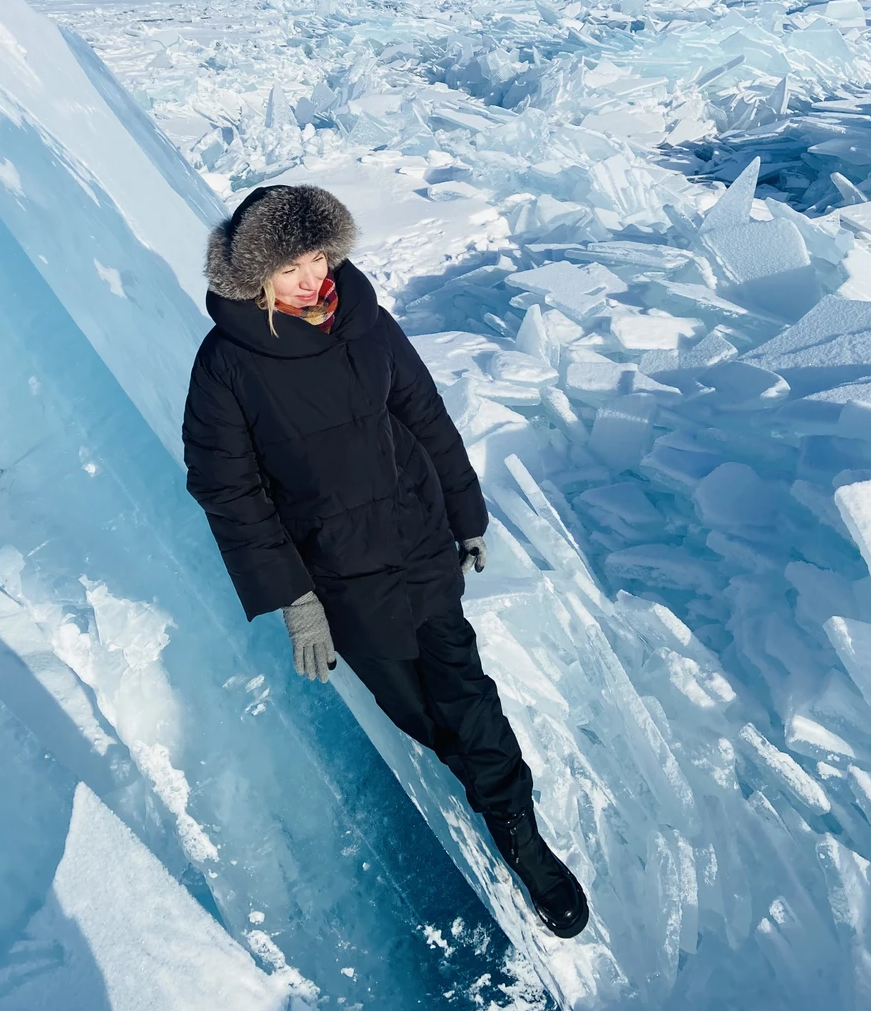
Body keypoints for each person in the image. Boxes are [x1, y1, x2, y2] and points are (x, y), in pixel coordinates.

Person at [182, 183, 589, 939]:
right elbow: (227, 490)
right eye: (290, 266)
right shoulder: (225, 367)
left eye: (317, 257)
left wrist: (466, 513)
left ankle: (522, 838)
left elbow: (423, 413)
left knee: (468, 695)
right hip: (342, 575)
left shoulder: (364, 320)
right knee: (417, 710)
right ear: (255, 276)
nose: (311, 278)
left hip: (419, 539)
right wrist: (295, 598)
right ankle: (478, 785)